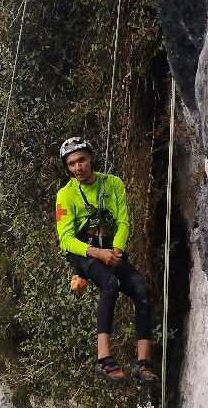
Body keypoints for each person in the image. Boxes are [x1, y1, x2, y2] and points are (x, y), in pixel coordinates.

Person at [55, 136, 156, 383]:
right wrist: (97, 253)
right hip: (84, 253)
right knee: (110, 284)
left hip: (110, 249)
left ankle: (143, 364)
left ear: (91, 158)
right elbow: (65, 239)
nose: (78, 167)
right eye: (71, 164)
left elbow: (122, 221)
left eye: (81, 160)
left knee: (141, 289)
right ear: (67, 168)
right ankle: (104, 359)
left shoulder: (112, 184)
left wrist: (117, 249)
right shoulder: (65, 195)